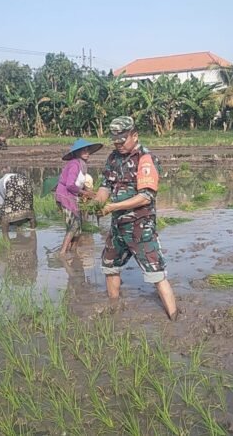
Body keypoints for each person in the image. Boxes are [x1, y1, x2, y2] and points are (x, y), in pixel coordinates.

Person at [91, 116, 178, 320]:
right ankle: (114, 307)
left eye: (122, 140)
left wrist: (112, 206)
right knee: (109, 265)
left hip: (140, 228)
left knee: (156, 272)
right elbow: (106, 185)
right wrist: (97, 202)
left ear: (134, 135)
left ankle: (173, 317)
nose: (118, 145)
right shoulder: (113, 158)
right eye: (115, 141)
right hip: (118, 227)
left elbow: (145, 197)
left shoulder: (145, 159)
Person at [55, 138, 103, 255]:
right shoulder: (74, 164)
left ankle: (73, 251)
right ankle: (62, 253)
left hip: (72, 197)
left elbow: (78, 183)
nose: (87, 153)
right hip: (65, 196)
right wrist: (85, 193)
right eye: (83, 150)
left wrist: (91, 192)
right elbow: (70, 184)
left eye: (88, 150)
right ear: (77, 153)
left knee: (79, 228)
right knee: (74, 225)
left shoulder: (82, 165)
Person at [0, 172, 36, 239]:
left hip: (12, 181)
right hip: (25, 180)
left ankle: (6, 239)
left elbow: (0, 206)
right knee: (27, 205)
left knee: (5, 215)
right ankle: (33, 229)